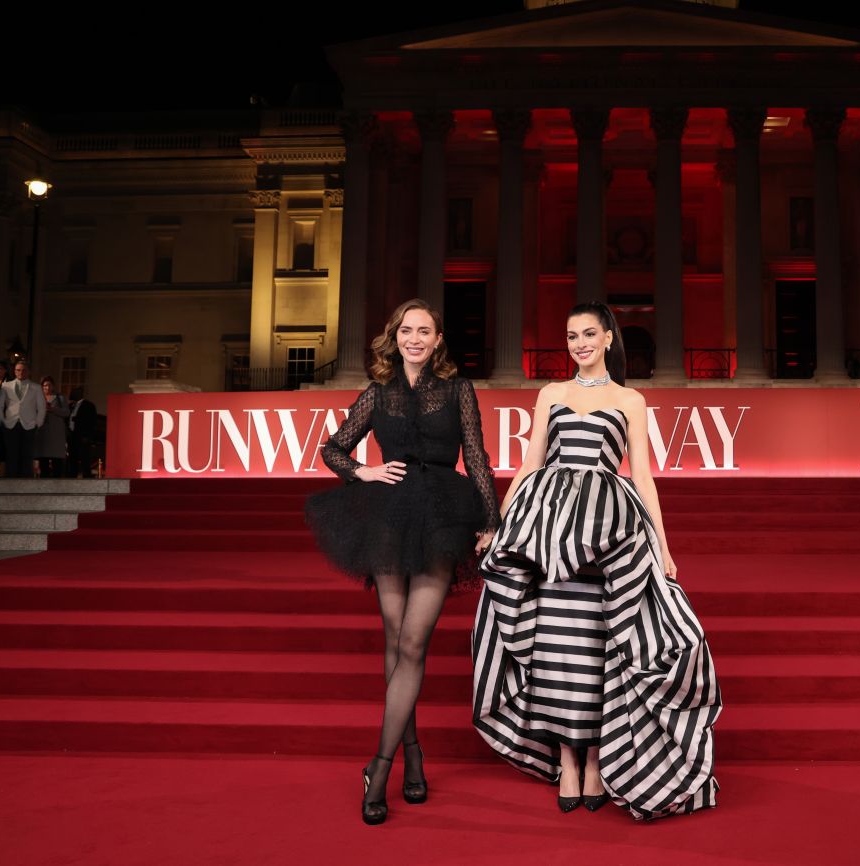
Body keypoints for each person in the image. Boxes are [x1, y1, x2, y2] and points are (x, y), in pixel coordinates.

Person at [472, 301, 720, 821]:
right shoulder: (551, 393)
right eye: (571, 336)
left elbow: (642, 475)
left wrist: (663, 546)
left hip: (607, 532)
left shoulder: (630, 399)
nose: (580, 344)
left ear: (608, 338)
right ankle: (567, 759)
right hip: (548, 529)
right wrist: (499, 525)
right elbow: (531, 462)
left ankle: (595, 763)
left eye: (589, 334)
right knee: (555, 644)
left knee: (593, 646)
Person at [303, 298, 499, 826]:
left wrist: (490, 520)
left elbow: (475, 456)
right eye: (407, 331)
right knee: (394, 640)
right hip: (388, 518)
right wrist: (363, 473)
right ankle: (412, 756)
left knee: (412, 642)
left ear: (438, 340)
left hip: (443, 517)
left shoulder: (457, 389)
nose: (415, 339)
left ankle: (380, 766)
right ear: (395, 337)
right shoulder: (378, 392)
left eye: (424, 331)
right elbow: (333, 448)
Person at [0, 361, 45, 478]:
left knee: (27, 455)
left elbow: (42, 407)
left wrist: (38, 423)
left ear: (29, 372)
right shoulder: (6, 386)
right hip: (10, 424)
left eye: (24, 370)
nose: (21, 372)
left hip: (29, 424)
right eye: (18, 370)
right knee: (11, 455)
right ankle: (11, 483)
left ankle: (26, 483)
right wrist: (2, 421)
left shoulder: (36, 387)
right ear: (14, 371)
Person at [35, 375, 69, 478]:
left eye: (49, 385)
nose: (47, 387)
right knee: (43, 463)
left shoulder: (60, 398)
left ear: (53, 386)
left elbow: (66, 412)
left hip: (56, 435)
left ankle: (57, 484)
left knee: (57, 464)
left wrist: (52, 409)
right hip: (42, 434)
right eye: (45, 385)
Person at [67, 386, 98, 478]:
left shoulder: (88, 405)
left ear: (81, 393)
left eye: (75, 392)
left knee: (85, 459)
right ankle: (72, 476)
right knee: (72, 458)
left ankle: (86, 477)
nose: (72, 394)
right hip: (72, 436)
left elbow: (92, 422)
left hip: (82, 436)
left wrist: (87, 436)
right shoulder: (71, 406)